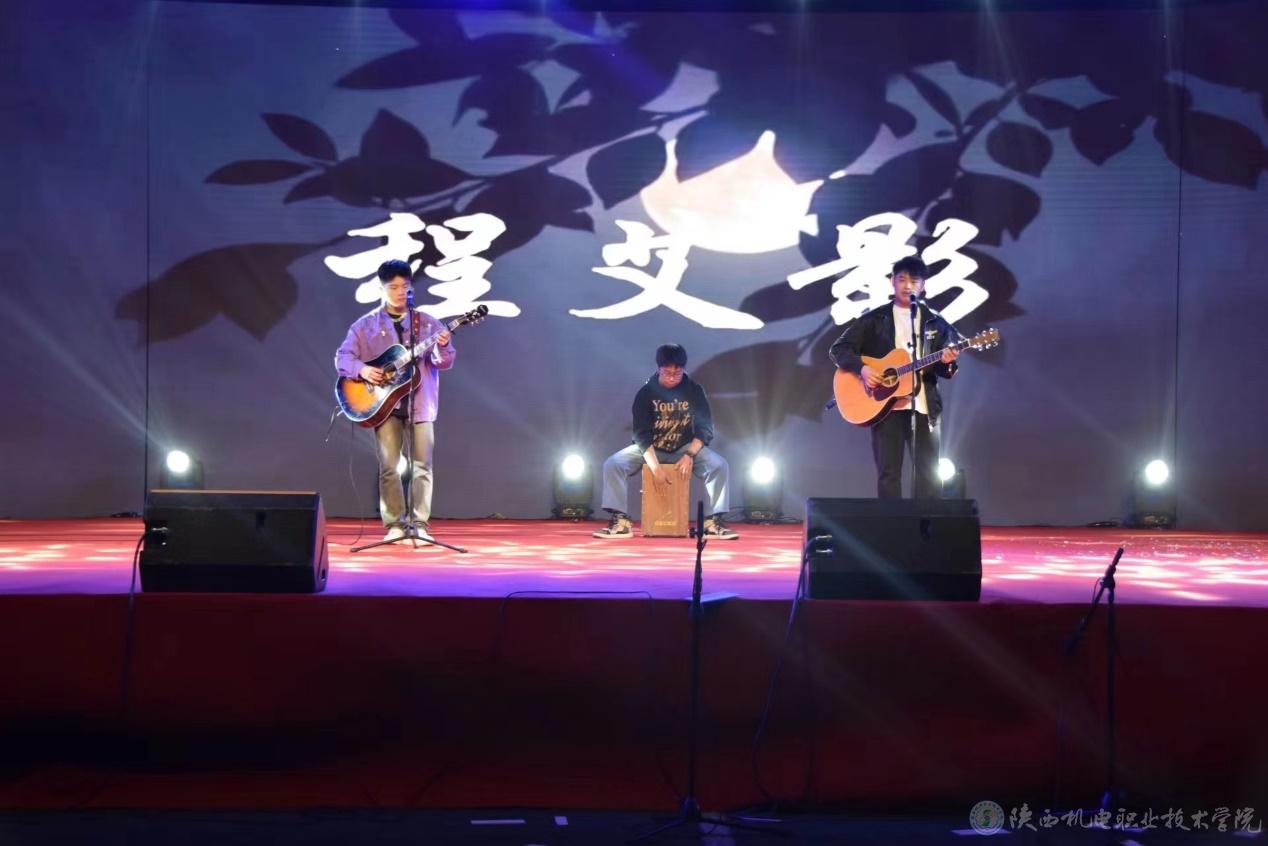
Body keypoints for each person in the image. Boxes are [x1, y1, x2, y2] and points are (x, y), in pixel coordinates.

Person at [335, 259, 454, 541]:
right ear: (382, 288)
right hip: (384, 406)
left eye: (406, 286)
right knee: (389, 466)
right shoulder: (365, 326)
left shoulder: (427, 323)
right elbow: (343, 358)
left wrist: (443, 345)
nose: (401, 292)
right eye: (394, 287)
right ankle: (395, 525)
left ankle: (420, 524)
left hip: (420, 404)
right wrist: (363, 370)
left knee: (423, 466)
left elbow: (444, 362)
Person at [829, 256, 960, 499]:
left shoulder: (936, 324)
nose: (908, 286)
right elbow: (839, 349)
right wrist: (863, 369)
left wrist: (948, 361)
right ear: (892, 281)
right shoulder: (874, 319)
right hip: (886, 407)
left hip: (924, 407)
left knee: (929, 475)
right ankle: (892, 523)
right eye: (902, 279)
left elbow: (945, 370)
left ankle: (926, 523)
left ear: (923, 285)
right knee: (889, 474)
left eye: (914, 280)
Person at [593, 344, 738, 540]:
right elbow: (641, 435)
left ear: (683, 369)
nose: (671, 377)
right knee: (614, 464)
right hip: (652, 448)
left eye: (677, 373)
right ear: (659, 368)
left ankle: (713, 523)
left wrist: (689, 455)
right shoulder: (646, 393)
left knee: (718, 465)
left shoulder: (694, 391)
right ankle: (621, 522)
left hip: (684, 447)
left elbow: (704, 429)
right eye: (667, 372)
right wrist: (655, 469)